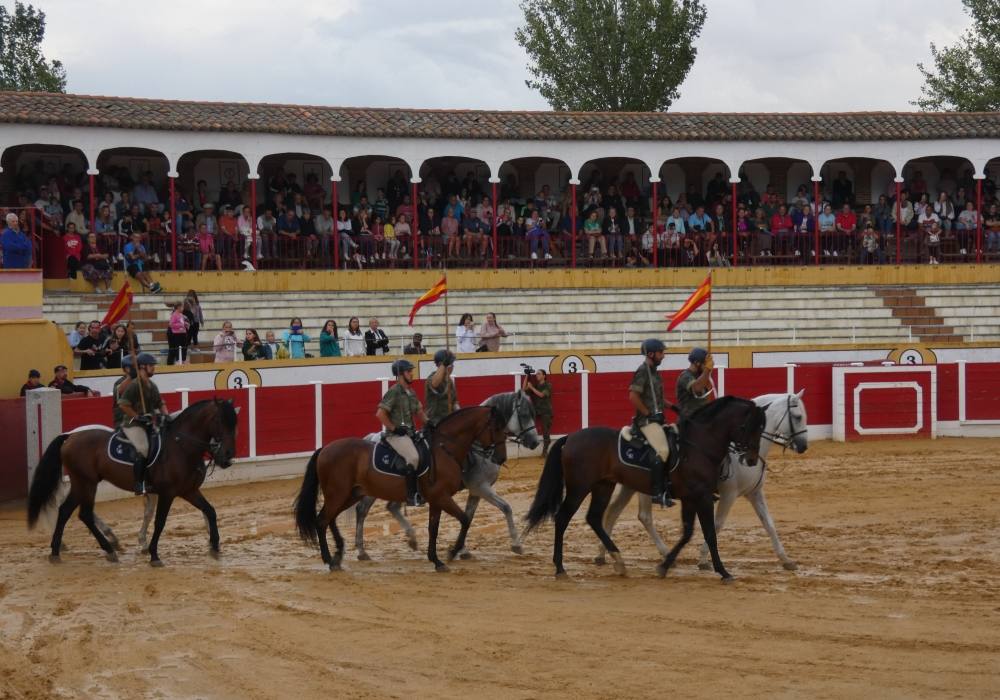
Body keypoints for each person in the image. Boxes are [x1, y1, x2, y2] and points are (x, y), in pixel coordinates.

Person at [627, 339, 673, 507]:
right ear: (651, 354)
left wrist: (674, 407)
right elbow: (633, 396)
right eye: (661, 352)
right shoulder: (643, 371)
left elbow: (658, 398)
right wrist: (649, 414)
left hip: (656, 419)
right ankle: (657, 492)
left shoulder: (653, 372)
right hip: (646, 421)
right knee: (662, 449)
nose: (664, 356)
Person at [376, 358, 428, 507]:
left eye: (411, 371)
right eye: (408, 371)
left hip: (410, 433)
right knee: (413, 457)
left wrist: (429, 423)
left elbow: (419, 411)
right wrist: (394, 428)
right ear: (400, 374)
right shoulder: (393, 392)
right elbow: (380, 414)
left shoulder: (411, 392)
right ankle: (411, 496)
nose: (412, 373)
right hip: (395, 436)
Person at [118, 353, 166, 495]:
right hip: (132, 424)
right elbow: (123, 405)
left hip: (149, 423)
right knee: (143, 449)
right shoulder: (134, 385)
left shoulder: (152, 385)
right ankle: (138, 484)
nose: (154, 369)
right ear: (142, 367)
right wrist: (138, 417)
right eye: (151, 366)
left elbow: (160, 402)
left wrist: (166, 414)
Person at [676, 347, 715, 425]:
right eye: (705, 364)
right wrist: (707, 370)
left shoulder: (702, 376)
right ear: (697, 363)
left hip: (700, 421)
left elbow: (707, 397)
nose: (707, 366)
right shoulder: (685, 376)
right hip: (688, 422)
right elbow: (697, 389)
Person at [425, 349, 459, 428]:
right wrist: (444, 365)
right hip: (435, 423)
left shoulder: (449, 381)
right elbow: (434, 384)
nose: (453, 366)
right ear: (441, 364)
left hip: (449, 421)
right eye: (451, 364)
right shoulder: (431, 378)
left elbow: (455, 402)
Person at [523, 368, 553, 456]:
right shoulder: (536, 386)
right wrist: (527, 376)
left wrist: (531, 387)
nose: (537, 375)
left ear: (544, 376)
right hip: (536, 410)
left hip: (546, 411)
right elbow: (524, 389)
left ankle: (545, 451)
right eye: (536, 374)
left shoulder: (548, 385)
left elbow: (542, 395)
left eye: (539, 374)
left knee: (545, 431)